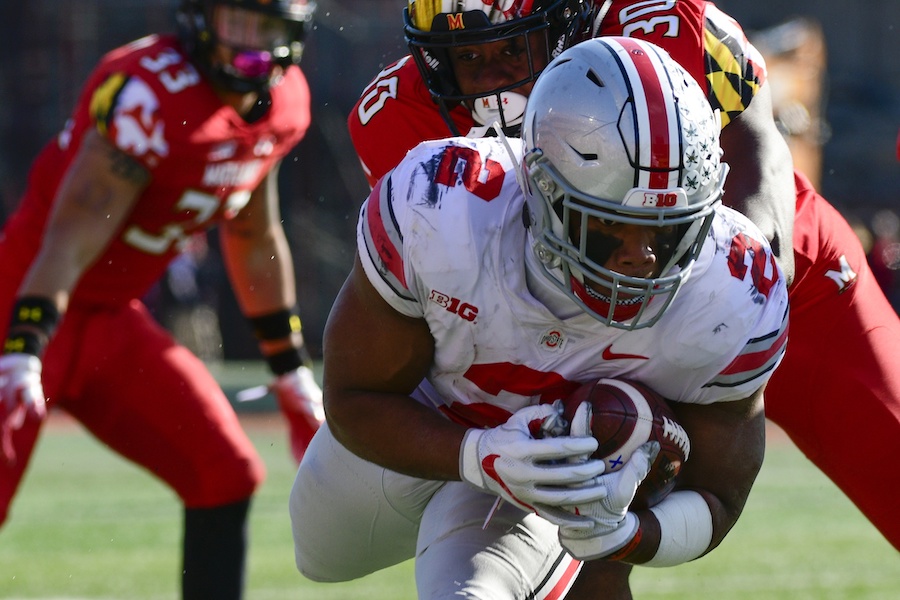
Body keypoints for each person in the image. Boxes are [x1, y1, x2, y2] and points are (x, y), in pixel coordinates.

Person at [347, 0, 900, 554]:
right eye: (466, 55)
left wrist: (741, 296)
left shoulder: (660, 25)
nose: (492, 77)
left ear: (566, 19)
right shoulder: (398, 122)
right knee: (586, 514)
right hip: (572, 316)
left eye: (514, 48)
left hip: (762, 280)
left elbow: (756, 139)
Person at [291, 36, 790, 598]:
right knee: (317, 553)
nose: (641, 257)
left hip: (542, 479)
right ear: (542, 193)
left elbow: (720, 495)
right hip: (420, 427)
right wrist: (477, 453)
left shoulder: (732, 287)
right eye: (608, 225)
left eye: (667, 229)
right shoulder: (443, 202)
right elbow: (356, 395)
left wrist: (624, 533)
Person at [0, 0, 324, 597]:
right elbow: (71, 235)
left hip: (112, 322)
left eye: (267, 28)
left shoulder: (283, 104)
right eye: (238, 23)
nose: (251, 44)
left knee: (224, 473)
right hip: (26, 302)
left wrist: (290, 369)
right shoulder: (151, 92)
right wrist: (23, 346)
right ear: (202, 19)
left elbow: (253, 236)